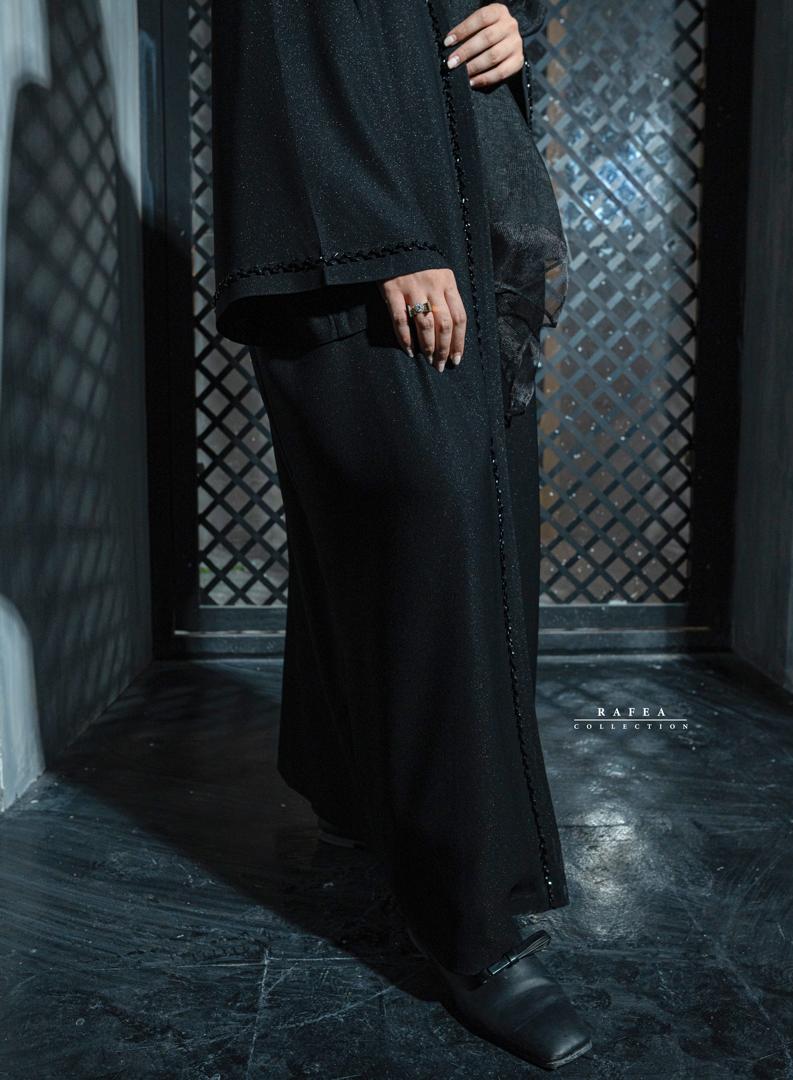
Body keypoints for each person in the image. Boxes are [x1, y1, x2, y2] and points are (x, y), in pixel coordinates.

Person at [211, 0, 592, 1068]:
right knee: (434, 537)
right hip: (366, 232)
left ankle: (344, 784)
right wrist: (384, 235)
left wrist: (511, 29)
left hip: (452, 211)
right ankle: (469, 924)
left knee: (428, 533)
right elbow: (284, 31)